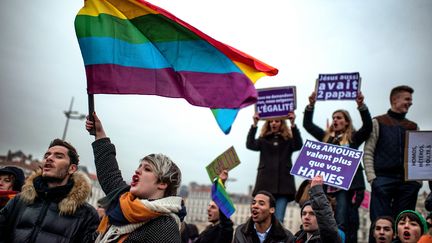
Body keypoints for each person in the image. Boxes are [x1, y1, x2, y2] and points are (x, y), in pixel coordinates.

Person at [86, 112, 185, 243]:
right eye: (139, 166)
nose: (138, 171)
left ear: (162, 184)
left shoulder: (164, 225)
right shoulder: (125, 200)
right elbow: (110, 174)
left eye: (147, 169)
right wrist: (99, 134)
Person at [303, 91, 372, 243]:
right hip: (329, 188)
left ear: (346, 122)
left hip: (348, 188)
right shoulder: (326, 138)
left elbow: (368, 127)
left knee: (345, 220)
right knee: (330, 218)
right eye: (334, 118)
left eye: (339, 118)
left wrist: (361, 106)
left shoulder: (353, 138)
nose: (335, 120)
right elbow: (307, 125)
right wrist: (311, 105)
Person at [0, 139, 99, 243]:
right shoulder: (19, 201)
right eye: (47, 156)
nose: (49, 158)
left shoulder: (87, 214)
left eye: (59, 156)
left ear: (72, 169)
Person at [363, 86, 422, 227]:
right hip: (382, 180)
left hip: (408, 184)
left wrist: (417, 182)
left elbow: (419, 157)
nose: (410, 103)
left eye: (411, 100)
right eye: (407, 99)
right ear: (395, 100)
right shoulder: (377, 122)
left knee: (403, 225)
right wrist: (373, 179)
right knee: (380, 224)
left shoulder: (413, 127)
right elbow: (368, 151)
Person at [246, 111, 303, 223]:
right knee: (262, 219)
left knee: (278, 220)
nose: (273, 123)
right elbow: (250, 144)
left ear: (282, 123)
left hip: (284, 187)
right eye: (271, 121)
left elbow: (298, 145)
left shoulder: (288, 141)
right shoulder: (263, 140)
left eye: (277, 121)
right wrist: (254, 124)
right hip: (264, 185)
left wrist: (293, 123)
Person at [294, 175, 342, 243]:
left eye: (312, 214)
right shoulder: (296, 238)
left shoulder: (330, 238)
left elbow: (327, 226)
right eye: (304, 214)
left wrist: (316, 189)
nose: (306, 217)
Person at [194, 170, 233, 243]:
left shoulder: (224, 231)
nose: (208, 209)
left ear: (221, 211)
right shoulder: (208, 229)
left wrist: (221, 183)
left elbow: (226, 225)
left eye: (213, 207)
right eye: (209, 206)